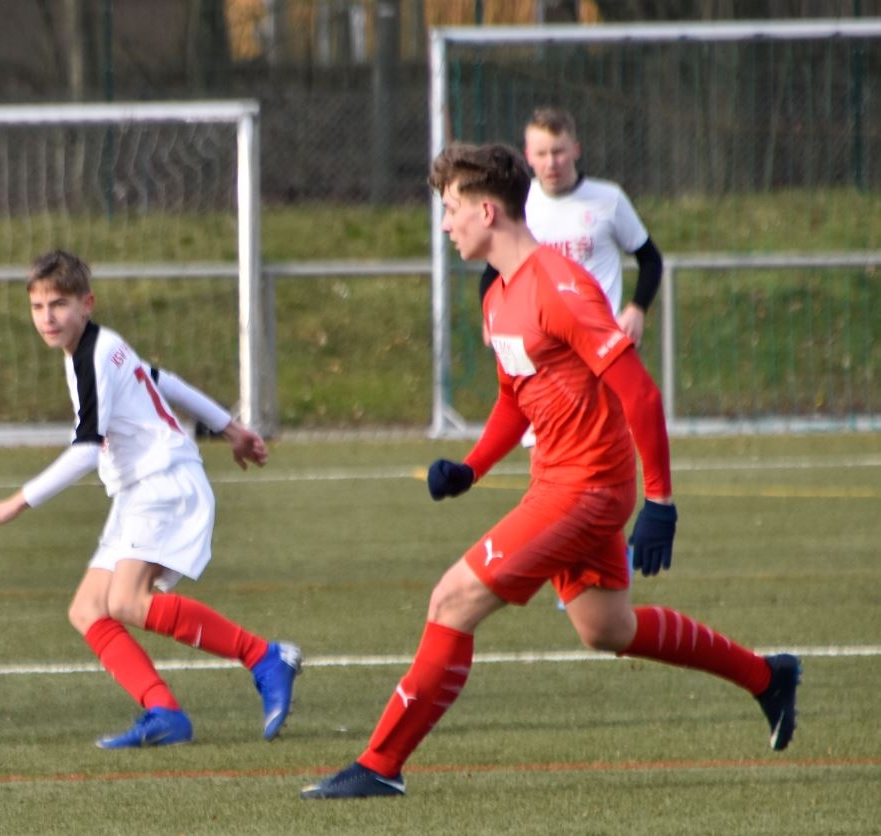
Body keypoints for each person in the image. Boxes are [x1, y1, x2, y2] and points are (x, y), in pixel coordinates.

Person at [301, 143, 799, 800]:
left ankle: (379, 764)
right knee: (606, 628)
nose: (444, 224)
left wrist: (660, 501)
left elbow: (640, 393)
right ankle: (767, 677)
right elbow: (516, 397)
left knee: (451, 599)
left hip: (587, 487)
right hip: (558, 480)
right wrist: (470, 469)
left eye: (450, 209)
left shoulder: (559, 288)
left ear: (486, 211)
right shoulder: (497, 295)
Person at [0, 249, 301, 748]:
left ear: (87, 304)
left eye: (59, 304)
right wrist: (230, 428)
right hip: (138, 491)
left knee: (126, 600)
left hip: (163, 482)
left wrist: (15, 503)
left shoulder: (93, 355)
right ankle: (164, 712)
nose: (48, 317)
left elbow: (86, 450)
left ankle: (266, 657)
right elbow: (161, 380)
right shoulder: (100, 347)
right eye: (37, 306)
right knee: (88, 610)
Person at [481, 107, 663, 348]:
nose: (551, 163)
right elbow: (493, 270)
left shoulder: (609, 199)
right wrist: (490, 315)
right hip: (542, 343)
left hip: (601, 341)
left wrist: (637, 308)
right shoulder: (519, 202)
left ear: (575, 150)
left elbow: (650, 260)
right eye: (541, 153)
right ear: (528, 156)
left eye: (558, 152)